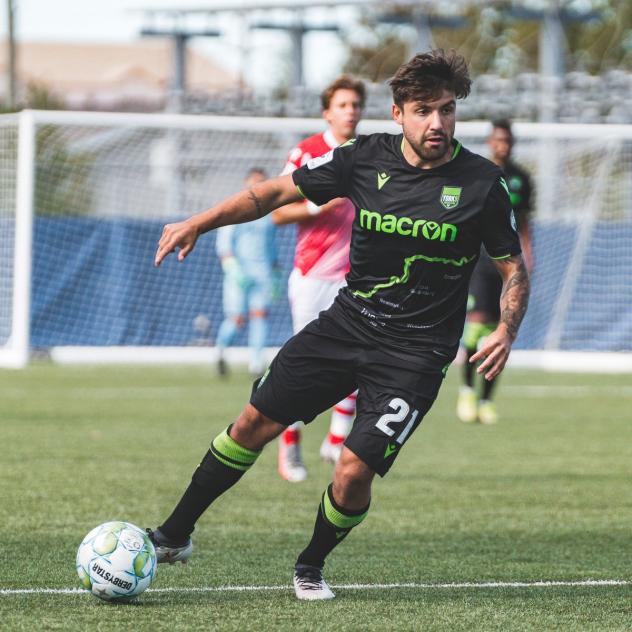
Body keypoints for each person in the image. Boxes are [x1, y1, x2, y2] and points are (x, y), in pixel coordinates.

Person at [150, 49, 530, 601]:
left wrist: (506, 327)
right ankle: (173, 534)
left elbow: (511, 266)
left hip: (417, 354)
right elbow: (276, 194)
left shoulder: (481, 183)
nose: (437, 123)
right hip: (346, 326)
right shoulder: (363, 158)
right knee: (251, 422)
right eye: (424, 110)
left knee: (352, 471)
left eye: (447, 111)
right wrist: (198, 222)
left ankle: (310, 565)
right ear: (398, 113)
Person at [272, 75, 366, 483]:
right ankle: (289, 448)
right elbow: (277, 212)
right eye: (342, 105)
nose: (350, 111)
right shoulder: (308, 153)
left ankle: (336, 439)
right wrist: (316, 207)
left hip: (357, 278)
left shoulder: (371, 154)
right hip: (312, 275)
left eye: (356, 105)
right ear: (327, 111)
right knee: (303, 370)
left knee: (362, 361)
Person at [456, 119, 533, 425]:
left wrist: (528, 256)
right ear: (491, 142)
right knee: (476, 325)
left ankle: (486, 400)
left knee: (499, 329)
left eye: (508, 141)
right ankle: (465, 390)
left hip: (509, 262)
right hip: (480, 259)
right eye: (498, 140)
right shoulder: (478, 174)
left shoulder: (521, 179)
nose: (503, 145)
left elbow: (525, 221)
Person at [215, 168, 279, 377]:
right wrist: (232, 268)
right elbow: (224, 244)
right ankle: (221, 352)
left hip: (262, 273)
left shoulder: (269, 215)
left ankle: (256, 363)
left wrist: (276, 269)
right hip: (239, 274)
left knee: (260, 316)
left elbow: (271, 245)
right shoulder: (236, 209)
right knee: (236, 319)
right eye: (253, 183)